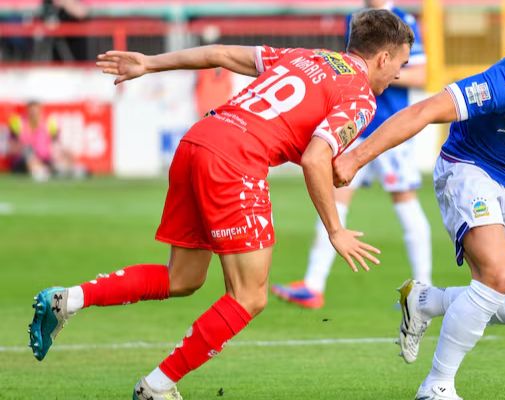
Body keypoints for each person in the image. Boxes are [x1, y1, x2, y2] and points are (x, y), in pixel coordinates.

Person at [27, 9, 413, 400]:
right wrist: (335, 229)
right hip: (235, 161)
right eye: (400, 64)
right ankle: (156, 386)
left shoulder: (305, 56)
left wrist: (149, 63)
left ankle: (68, 299)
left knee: (183, 278)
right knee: (250, 295)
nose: (398, 74)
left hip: (198, 141)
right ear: (383, 58)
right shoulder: (360, 95)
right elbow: (316, 158)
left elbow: (221, 53)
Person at [333, 30, 505, 399]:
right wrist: (355, 157)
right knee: (497, 275)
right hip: (468, 168)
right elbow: (423, 112)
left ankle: (425, 301)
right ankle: (436, 386)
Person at [272, 0, 431, 309]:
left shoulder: (404, 21)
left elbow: (422, 74)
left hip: (389, 129)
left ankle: (423, 288)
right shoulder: (356, 19)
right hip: (354, 125)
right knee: (334, 198)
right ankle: (313, 285)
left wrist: (386, 70)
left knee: (405, 201)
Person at [7, 101, 79, 181]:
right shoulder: (18, 123)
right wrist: (24, 149)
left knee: (64, 154)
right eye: (31, 111)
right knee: (28, 150)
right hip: (23, 161)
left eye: (36, 111)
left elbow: (57, 144)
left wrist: (64, 153)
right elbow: (12, 146)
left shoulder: (49, 123)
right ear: (27, 111)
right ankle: (40, 170)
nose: (34, 114)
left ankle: (65, 170)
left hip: (44, 159)